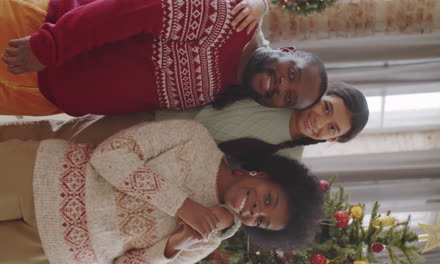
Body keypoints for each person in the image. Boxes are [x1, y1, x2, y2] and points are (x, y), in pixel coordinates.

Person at [0, 120, 324, 263]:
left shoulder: (206, 239)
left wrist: (176, 244)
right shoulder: (194, 138)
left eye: (262, 221)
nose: (255, 210)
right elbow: (109, 155)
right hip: (38, 179)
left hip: (51, 252)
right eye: (269, 199)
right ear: (265, 175)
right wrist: (182, 205)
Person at [0, 0, 327, 116]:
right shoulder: (224, 18)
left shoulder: (223, 96)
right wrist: (50, 46)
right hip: (36, 36)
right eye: (292, 74)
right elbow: (127, 10)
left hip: (44, 97)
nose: (281, 85)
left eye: (288, 98)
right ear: (287, 52)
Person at [0, 81, 368, 160]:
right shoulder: (281, 89)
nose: (320, 122)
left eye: (332, 128)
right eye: (326, 108)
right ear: (322, 96)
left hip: (161, 161)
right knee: (63, 135)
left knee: (64, 161)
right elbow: (254, 36)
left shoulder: (288, 160)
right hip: (152, 114)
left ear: (332, 140)